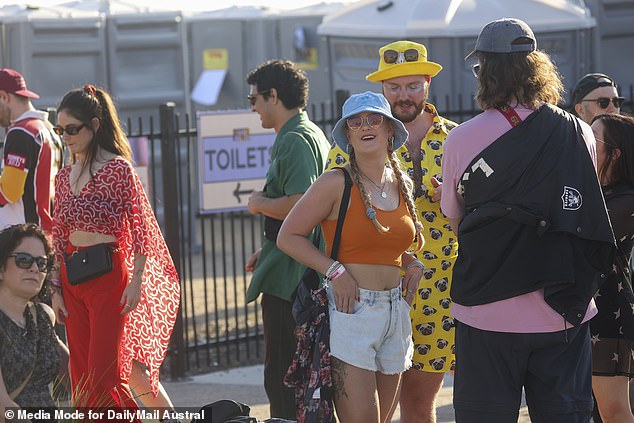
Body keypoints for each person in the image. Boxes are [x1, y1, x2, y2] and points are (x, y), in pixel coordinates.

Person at [441, 18, 615, 422]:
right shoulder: (579, 132)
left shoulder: (462, 139)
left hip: (487, 308)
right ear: (538, 67)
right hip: (562, 306)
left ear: (485, 71)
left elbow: (456, 221)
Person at [326, 40, 458, 422]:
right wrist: (335, 270)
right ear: (382, 89)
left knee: (419, 404)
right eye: (394, 87)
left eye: (413, 85)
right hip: (369, 292)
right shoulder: (358, 138)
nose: (404, 95)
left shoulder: (457, 138)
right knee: (374, 412)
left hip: (441, 288)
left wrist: (453, 195)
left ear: (428, 84)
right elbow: (326, 215)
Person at [278, 91, 424, 423]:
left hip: (396, 313)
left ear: (390, 130)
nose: (365, 126)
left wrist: (410, 264)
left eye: (374, 119)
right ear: (347, 135)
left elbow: (390, 247)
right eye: (355, 122)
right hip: (351, 311)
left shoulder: (401, 183)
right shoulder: (335, 182)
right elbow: (288, 236)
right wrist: (335, 271)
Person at [48, 85, 180, 412]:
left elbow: (142, 228)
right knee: (80, 375)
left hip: (109, 278)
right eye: (59, 130)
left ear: (94, 125)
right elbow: (58, 236)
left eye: (72, 129)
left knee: (104, 375)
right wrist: (54, 287)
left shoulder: (118, 169)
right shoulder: (63, 176)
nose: (65, 136)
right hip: (71, 279)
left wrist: (136, 282)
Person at [243, 59, 331, 419]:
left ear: (273, 96)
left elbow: (301, 206)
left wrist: (259, 203)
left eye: (254, 100)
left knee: (283, 378)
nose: (253, 108)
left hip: (292, 282)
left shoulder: (295, 139)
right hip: (290, 268)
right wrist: (266, 249)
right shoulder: (305, 133)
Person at [589, 113, 634, 423]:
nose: (585, 145)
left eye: (593, 140)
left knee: (614, 411)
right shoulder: (592, 192)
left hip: (609, 315)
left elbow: (584, 235)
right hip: (580, 311)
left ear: (615, 153)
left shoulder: (627, 199)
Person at [0, 223, 69, 418]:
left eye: (42, 263)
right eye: (23, 260)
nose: (34, 268)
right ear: (1, 268)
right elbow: (3, 407)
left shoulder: (43, 317)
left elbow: (77, 377)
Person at [0, 68, 64, 232]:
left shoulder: (21, 132)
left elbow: (10, 193)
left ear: (4, 97)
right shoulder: (50, 129)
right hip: (46, 234)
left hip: (23, 239)